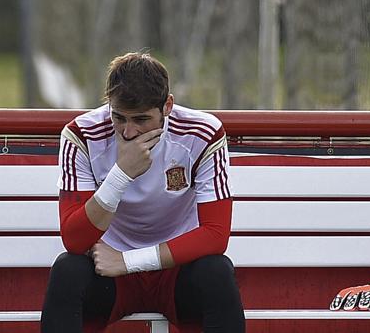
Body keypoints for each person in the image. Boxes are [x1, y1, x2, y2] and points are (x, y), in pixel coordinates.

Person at [41, 52, 244, 332]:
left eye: (141, 119)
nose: (127, 132)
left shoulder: (202, 132)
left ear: (167, 106)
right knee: (67, 270)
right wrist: (120, 174)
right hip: (108, 271)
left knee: (217, 272)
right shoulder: (82, 134)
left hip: (173, 269)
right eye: (119, 117)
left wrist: (127, 261)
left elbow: (216, 235)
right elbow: (74, 240)